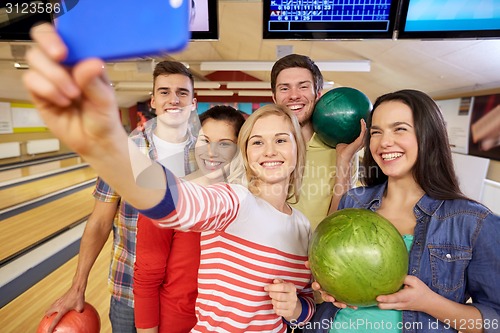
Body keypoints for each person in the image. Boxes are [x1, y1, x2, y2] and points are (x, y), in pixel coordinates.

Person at [23, 24, 315, 332]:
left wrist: (297, 307)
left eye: (282, 140)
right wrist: (109, 140)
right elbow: (179, 202)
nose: (269, 150)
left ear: (299, 149)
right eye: (257, 141)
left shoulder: (303, 227)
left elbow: (306, 306)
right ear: (247, 153)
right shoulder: (235, 202)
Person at [304, 89, 500, 333]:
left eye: (399, 129)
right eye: (376, 132)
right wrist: (329, 288)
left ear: (427, 135)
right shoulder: (353, 202)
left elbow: (494, 321)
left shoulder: (473, 221)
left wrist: (429, 303)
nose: (384, 142)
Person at [42, 57, 200, 332]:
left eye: (182, 93)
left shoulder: (206, 154)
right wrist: (77, 287)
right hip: (129, 291)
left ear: (193, 102)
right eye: (165, 92)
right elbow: (100, 222)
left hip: (187, 294)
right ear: (152, 101)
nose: (173, 100)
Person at [133, 105, 246, 333]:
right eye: (205, 140)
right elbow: (146, 280)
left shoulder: (246, 202)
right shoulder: (168, 196)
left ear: (239, 149)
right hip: (177, 325)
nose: (211, 152)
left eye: (224, 143)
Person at [270, 54, 366, 231]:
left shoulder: (340, 150)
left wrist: (344, 160)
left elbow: (340, 222)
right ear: (275, 98)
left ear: (318, 94)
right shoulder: (263, 148)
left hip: (316, 254)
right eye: (284, 88)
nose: (293, 96)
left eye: (303, 87)